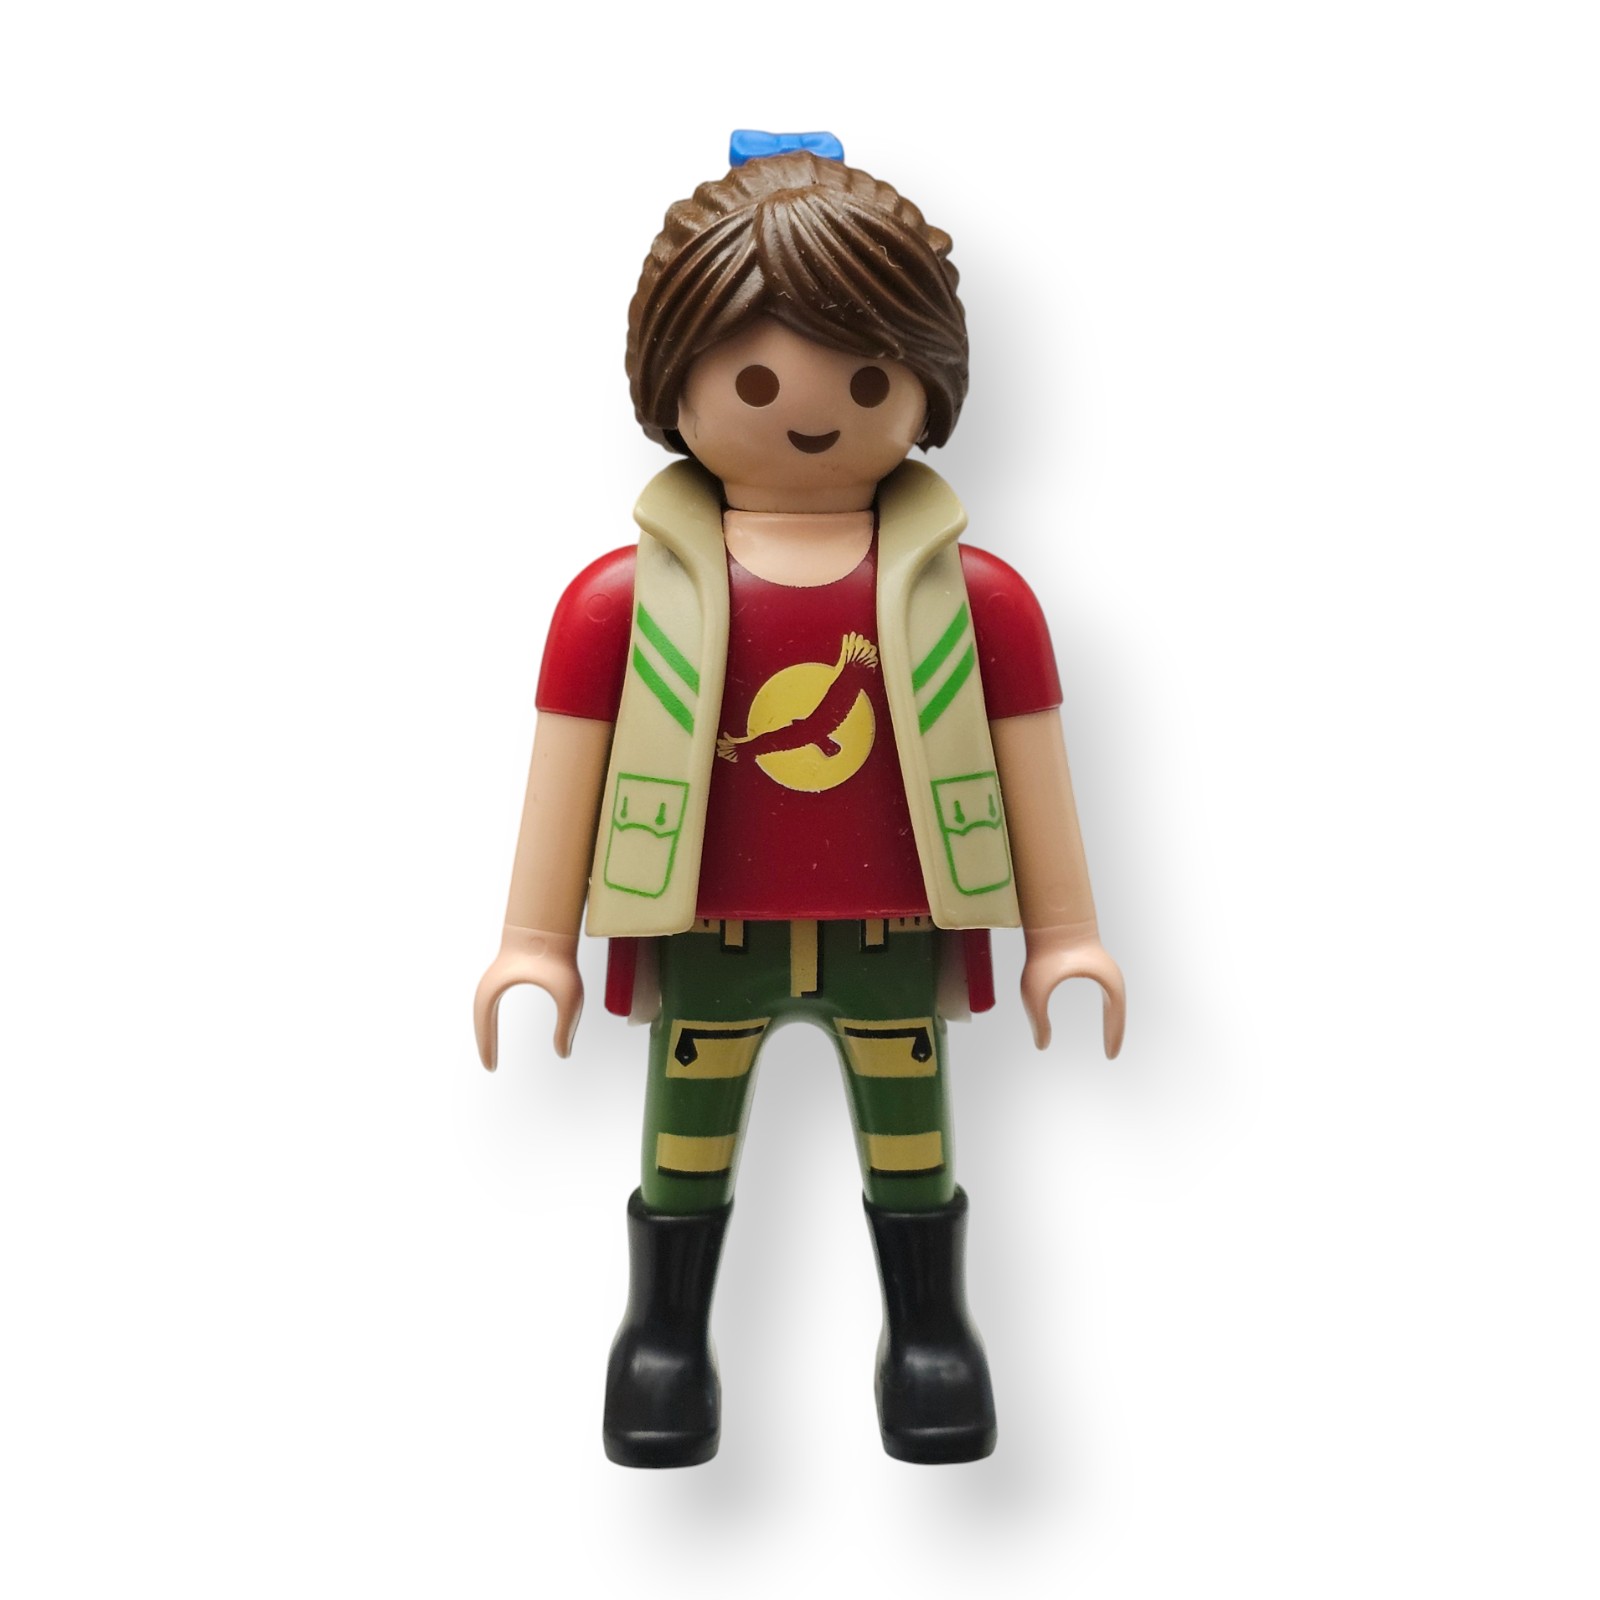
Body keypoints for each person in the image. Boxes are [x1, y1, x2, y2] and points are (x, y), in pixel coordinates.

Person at [474, 137, 1125, 1468]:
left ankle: (930, 1335)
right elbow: (567, 771)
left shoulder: (978, 599)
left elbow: (1033, 768)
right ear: (675, 383)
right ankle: (664, 1341)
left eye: (869, 378)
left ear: (926, 387)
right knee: (685, 1147)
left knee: (913, 1146)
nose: (811, 414)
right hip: (706, 937)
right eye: (756, 381)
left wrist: (1065, 935)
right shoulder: (618, 602)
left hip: (897, 938)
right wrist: (534, 943)